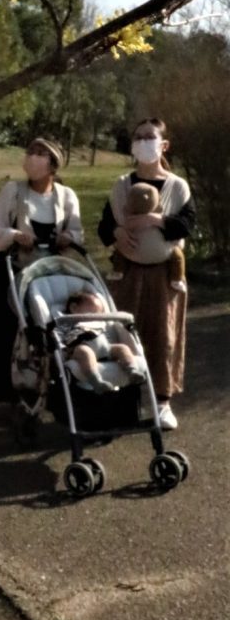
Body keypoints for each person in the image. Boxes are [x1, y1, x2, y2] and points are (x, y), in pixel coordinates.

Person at [98, 118, 195, 430]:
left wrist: (155, 219)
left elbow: (186, 226)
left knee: (163, 337)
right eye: (138, 137)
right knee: (122, 335)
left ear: (163, 145)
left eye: (150, 137)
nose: (143, 142)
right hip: (126, 274)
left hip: (164, 274)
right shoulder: (121, 185)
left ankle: (161, 402)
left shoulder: (177, 187)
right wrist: (117, 233)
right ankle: (123, 399)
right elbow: (104, 227)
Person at [0, 137, 84, 402]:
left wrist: (68, 237)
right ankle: (6, 390)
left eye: (40, 154)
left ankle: (52, 385)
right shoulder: (13, 190)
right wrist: (14, 234)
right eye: (30, 152)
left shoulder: (66, 196)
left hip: (49, 271)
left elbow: (78, 231)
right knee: (8, 328)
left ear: (53, 164)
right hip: (13, 268)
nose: (33, 158)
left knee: (48, 327)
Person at [60, 290, 146, 393]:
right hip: (81, 347)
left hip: (104, 347)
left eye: (99, 314)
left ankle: (132, 370)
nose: (97, 316)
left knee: (122, 348)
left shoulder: (99, 323)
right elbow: (59, 335)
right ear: (74, 308)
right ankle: (96, 380)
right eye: (92, 313)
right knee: (85, 352)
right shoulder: (67, 322)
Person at [108, 181, 187, 292]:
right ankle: (177, 279)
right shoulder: (160, 218)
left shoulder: (129, 220)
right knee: (177, 255)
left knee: (119, 250)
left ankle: (118, 271)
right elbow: (178, 232)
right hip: (161, 254)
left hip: (133, 253)